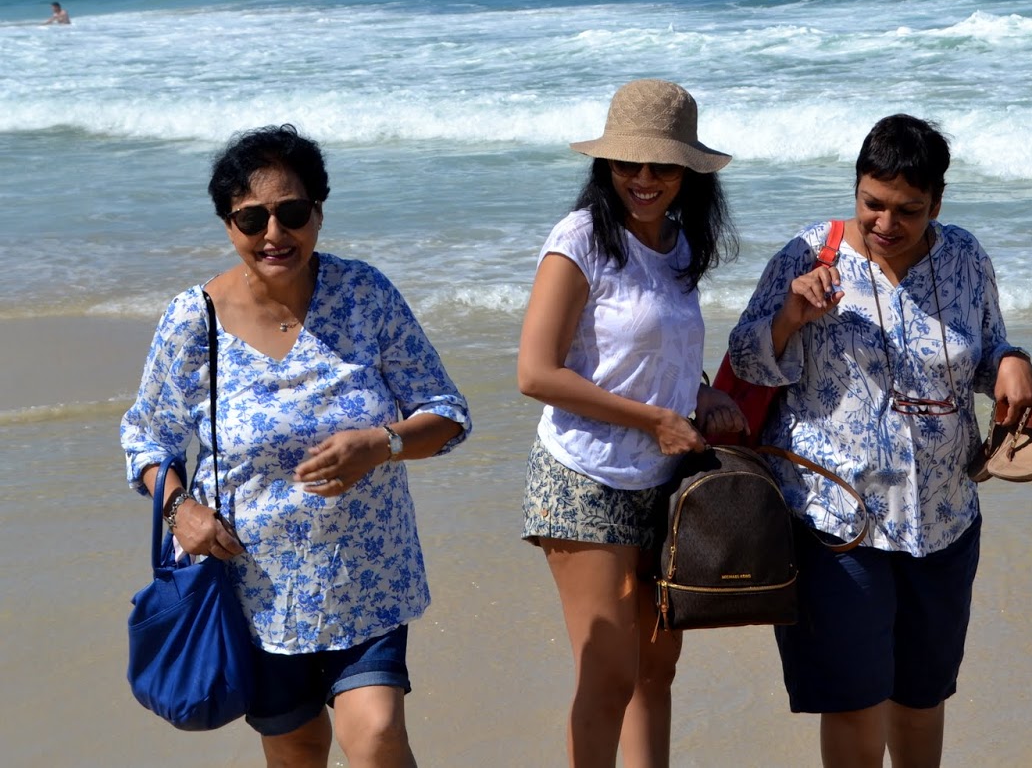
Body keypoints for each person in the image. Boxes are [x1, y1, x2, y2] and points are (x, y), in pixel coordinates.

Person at [121, 124, 470, 768]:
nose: (274, 233)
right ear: (229, 224)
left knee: (377, 735)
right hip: (252, 590)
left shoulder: (365, 295)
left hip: (369, 577)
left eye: (293, 212)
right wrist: (178, 510)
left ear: (319, 211)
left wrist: (381, 443)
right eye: (252, 218)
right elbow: (146, 436)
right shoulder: (193, 322)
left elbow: (445, 413)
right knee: (297, 753)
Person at [727, 113, 1032, 768]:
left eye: (909, 210)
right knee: (854, 701)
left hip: (944, 518)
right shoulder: (807, 254)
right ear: (855, 187)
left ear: (938, 202)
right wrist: (790, 316)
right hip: (837, 519)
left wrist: (1011, 360)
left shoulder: (963, 256)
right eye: (872, 202)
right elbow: (745, 361)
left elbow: (983, 351)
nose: (886, 222)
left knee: (922, 697)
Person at [517, 79, 742, 768]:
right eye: (627, 163)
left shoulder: (680, 242)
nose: (643, 179)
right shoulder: (580, 238)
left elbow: (648, 352)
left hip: (662, 480)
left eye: (661, 165)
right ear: (605, 164)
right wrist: (655, 418)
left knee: (656, 668)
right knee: (610, 674)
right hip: (584, 476)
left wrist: (700, 393)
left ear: (688, 171)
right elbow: (536, 372)